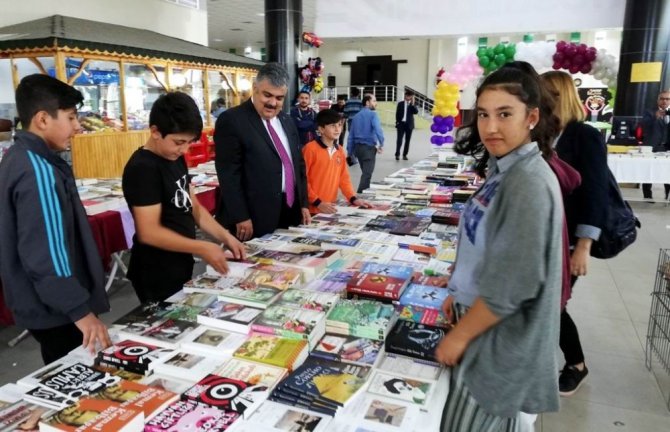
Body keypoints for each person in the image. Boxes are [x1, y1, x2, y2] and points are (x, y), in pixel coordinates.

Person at [434, 62, 563, 431]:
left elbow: (515, 285)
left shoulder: (528, 183)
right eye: (484, 115)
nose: (490, 127)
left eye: (505, 114)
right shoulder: (504, 168)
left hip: (496, 344)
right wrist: (457, 289)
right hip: (478, 324)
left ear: (532, 117)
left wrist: (459, 335)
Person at [0, 74, 111, 364]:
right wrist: (80, 312)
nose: (77, 127)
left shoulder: (21, 157)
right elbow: (45, 253)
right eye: (71, 117)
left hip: (48, 303)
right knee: (77, 375)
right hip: (57, 309)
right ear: (42, 119)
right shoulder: (37, 170)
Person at [122, 92, 245, 303]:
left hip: (180, 260)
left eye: (189, 142)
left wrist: (226, 237)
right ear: (155, 132)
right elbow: (148, 232)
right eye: (179, 142)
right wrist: (203, 247)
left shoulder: (174, 157)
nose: (184, 149)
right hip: (155, 269)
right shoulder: (143, 168)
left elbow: (195, 208)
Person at [541, 70, 609, 396]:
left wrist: (584, 245)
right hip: (543, 235)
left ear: (564, 96)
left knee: (553, 303)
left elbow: (596, 193)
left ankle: (576, 364)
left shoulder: (583, 136)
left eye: (549, 94)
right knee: (545, 300)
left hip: (569, 239)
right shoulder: (543, 135)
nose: (543, 101)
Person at [215, 62, 311, 241]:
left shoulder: (287, 121)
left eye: (279, 98)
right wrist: (240, 216)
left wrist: (303, 203)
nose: (273, 103)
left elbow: (297, 165)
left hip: (290, 210)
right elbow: (228, 174)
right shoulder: (232, 120)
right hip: (253, 216)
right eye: (267, 95)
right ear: (255, 88)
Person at [302, 109, 371, 215]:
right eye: (332, 125)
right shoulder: (310, 149)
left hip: (330, 208)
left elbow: (344, 178)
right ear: (321, 129)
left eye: (339, 125)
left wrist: (353, 198)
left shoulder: (340, 150)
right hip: (312, 209)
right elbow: (302, 180)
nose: (337, 129)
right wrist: (317, 202)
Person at [348, 94, 384, 193]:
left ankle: (364, 194)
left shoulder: (355, 117)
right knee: (367, 174)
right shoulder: (373, 115)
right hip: (368, 149)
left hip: (358, 150)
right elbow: (378, 130)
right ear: (367, 102)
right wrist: (381, 144)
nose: (376, 103)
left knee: (365, 173)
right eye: (374, 101)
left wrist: (350, 152)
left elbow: (350, 136)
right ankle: (360, 195)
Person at [639, 90, 670, 200]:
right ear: (658, 100)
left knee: (668, 171)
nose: (664, 101)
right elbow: (643, 125)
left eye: (667, 99)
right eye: (662, 98)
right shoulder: (649, 112)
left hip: (667, 147)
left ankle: (668, 195)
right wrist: (654, 117)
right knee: (649, 171)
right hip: (651, 147)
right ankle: (648, 196)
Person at [395, 90, 419, 161]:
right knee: (399, 140)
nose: (408, 97)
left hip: (409, 125)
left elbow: (416, 112)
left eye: (410, 96)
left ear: (411, 97)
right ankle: (397, 154)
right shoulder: (400, 104)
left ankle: (405, 155)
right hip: (401, 124)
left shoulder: (412, 104)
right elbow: (397, 114)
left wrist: (412, 104)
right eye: (407, 95)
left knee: (407, 141)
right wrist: (397, 123)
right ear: (405, 96)